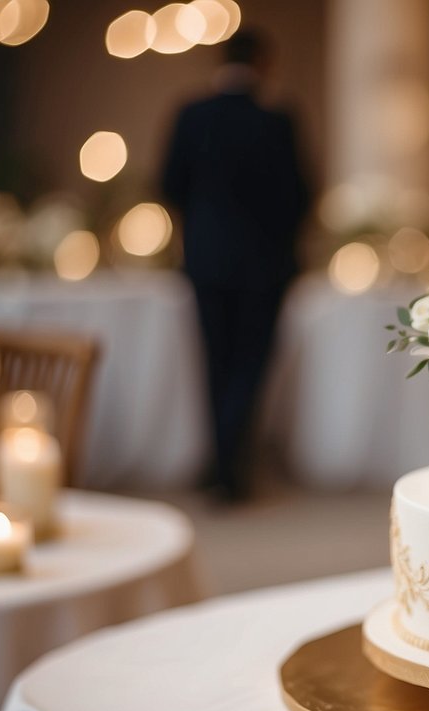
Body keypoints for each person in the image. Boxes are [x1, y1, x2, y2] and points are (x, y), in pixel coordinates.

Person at [162, 29, 309, 502]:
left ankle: (221, 462)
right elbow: (300, 195)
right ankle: (229, 468)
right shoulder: (278, 121)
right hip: (265, 266)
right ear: (264, 63)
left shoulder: (192, 115)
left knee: (215, 362)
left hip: (205, 260)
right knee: (249, 365)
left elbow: (168, 185)